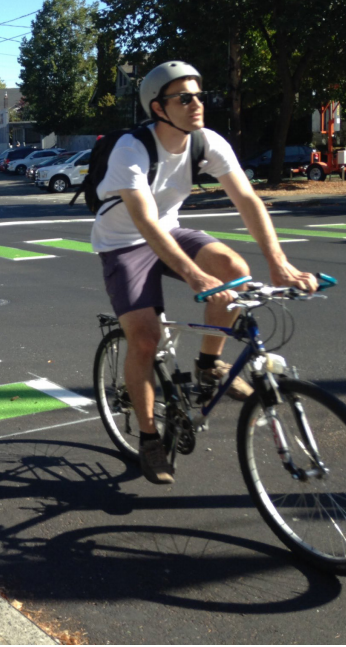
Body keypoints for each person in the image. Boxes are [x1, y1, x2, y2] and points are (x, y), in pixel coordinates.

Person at [90, 61, 317, 485]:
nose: (197, 104)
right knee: (144, 338)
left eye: (200, 96)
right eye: (184, 98)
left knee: (235, 270)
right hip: (124, 242)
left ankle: (209, 364)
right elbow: (143, 221)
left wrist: (280, 263)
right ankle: (149, 437)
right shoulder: (131, 149)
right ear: (159, 108)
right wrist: (194, 276)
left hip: (170, 231)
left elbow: (247, 199)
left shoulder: (206, 142)